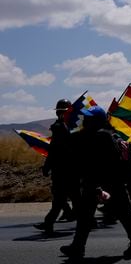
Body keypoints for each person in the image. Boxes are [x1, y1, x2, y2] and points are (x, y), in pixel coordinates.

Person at [60, 106, 131, 260]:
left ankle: (78, 247)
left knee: (93, 215)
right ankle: (78, 246)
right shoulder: (106, 135)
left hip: (102, 182)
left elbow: (96, 163)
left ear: (96, 121)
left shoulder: (100, 137)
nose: (85, 121)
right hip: (109, 182)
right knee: (116, 214)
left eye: (88, 118)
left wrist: (98, 187)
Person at [34, 99, 79, 235]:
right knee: (68, 197)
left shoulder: (60, 127)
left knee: (63, 197)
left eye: (61, 111)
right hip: (68, 169)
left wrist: (47, 166)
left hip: (63, 170)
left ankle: (51, 223)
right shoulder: (67, 127)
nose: (59, 113)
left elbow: (54, 151)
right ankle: (52, 222)